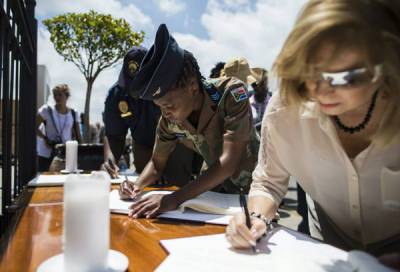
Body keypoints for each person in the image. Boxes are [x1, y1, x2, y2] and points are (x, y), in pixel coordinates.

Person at [225, 0, 400, 267]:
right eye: (309, 72)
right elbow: (269, 183)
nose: (320, 90)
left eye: (343, 77)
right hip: (325, 250)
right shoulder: (283, 111)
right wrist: (256, 218)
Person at [119, 24, 260, 218]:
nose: (165, 112)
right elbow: (157, 163)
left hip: (256, 185)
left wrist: (173, 199)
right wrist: (136, 185)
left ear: (193, 87)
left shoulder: (231, 93)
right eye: (160, 106)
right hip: (215, 189)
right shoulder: (168, 121)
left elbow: (228, 162)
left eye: (169, 104)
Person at [102, 46, 194, 181]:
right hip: (142, 146)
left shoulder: (167, 88)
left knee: (175, 184)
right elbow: (114, 136)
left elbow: (181, 129)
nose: (134, 92)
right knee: (142, 186)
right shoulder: (116, 95)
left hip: (176, 143)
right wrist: (109, 159)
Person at [36, 84, 82, 172]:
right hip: (47, 152)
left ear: (67, 96)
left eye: (60, 94)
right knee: (44, 178)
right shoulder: (47, 110)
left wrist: (80, 153)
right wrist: (44, 138)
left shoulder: (73, 113)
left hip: (65, 154)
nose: (57, 97)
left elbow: (78, 135)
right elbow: (34, 126)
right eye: (55, 95)